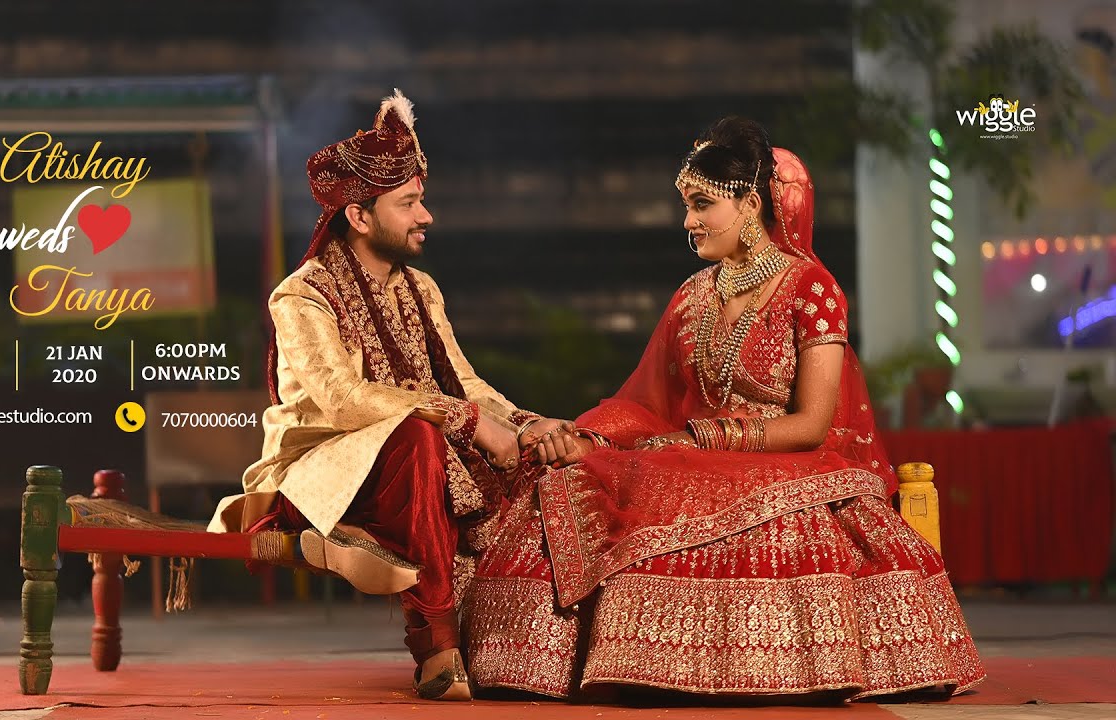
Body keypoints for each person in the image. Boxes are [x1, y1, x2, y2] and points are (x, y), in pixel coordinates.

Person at [464, 116, 986, 701]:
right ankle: (556, 661)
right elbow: (644, 401)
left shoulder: (812, 289)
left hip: (786, 462)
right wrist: (590, 437)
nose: (687, 222)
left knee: (681, 485)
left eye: (702, 204)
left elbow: (813, 424)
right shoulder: (691, 296)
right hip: (684, 455)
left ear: (750, 205)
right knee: (569, 477)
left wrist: (706, 439)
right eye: (686, 205)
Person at [209, 89, 572, 701]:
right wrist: (466, 422)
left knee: (530, 456)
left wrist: (523, 422)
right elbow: (342, 399)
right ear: (358, 216)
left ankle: (515, 643)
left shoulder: (420, 289)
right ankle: (437, 646)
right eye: (408, 204)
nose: (425, 216)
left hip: (411, 463)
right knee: (420, 437)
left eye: (421, 200)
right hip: (323, 470)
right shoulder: (302, 295)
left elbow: (463, 381)